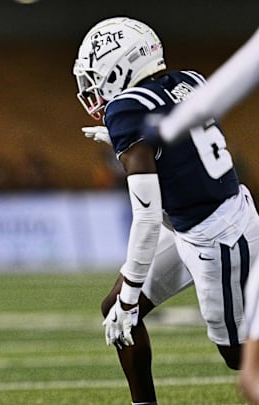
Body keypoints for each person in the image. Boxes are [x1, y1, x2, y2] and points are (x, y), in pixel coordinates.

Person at [73, 17, 259, 405]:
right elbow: (177, 136)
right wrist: (129, 140)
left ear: (119, 66)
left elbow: (145, 215)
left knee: (238, 357)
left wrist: (130, 298)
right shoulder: (190, 79)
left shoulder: (126, 109)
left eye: (95, 76)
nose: (90, 89)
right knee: (115, 308)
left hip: (216, 235)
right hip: (202, 221)